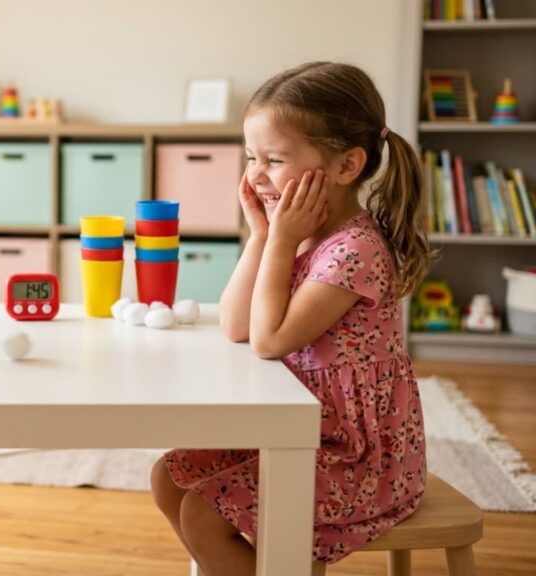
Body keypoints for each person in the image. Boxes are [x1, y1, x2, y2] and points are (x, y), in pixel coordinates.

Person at [151, 61, 431, 574]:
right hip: (297, 427)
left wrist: (279, 240)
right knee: (169, 477)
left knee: (203, 513)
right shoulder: (301, 235)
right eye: (251, 157)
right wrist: (261, 236)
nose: (256, 174)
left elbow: (269, 340)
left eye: (274, 159)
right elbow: (236, 325)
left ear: (346, 167)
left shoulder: (354, 251)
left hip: (359, 458)